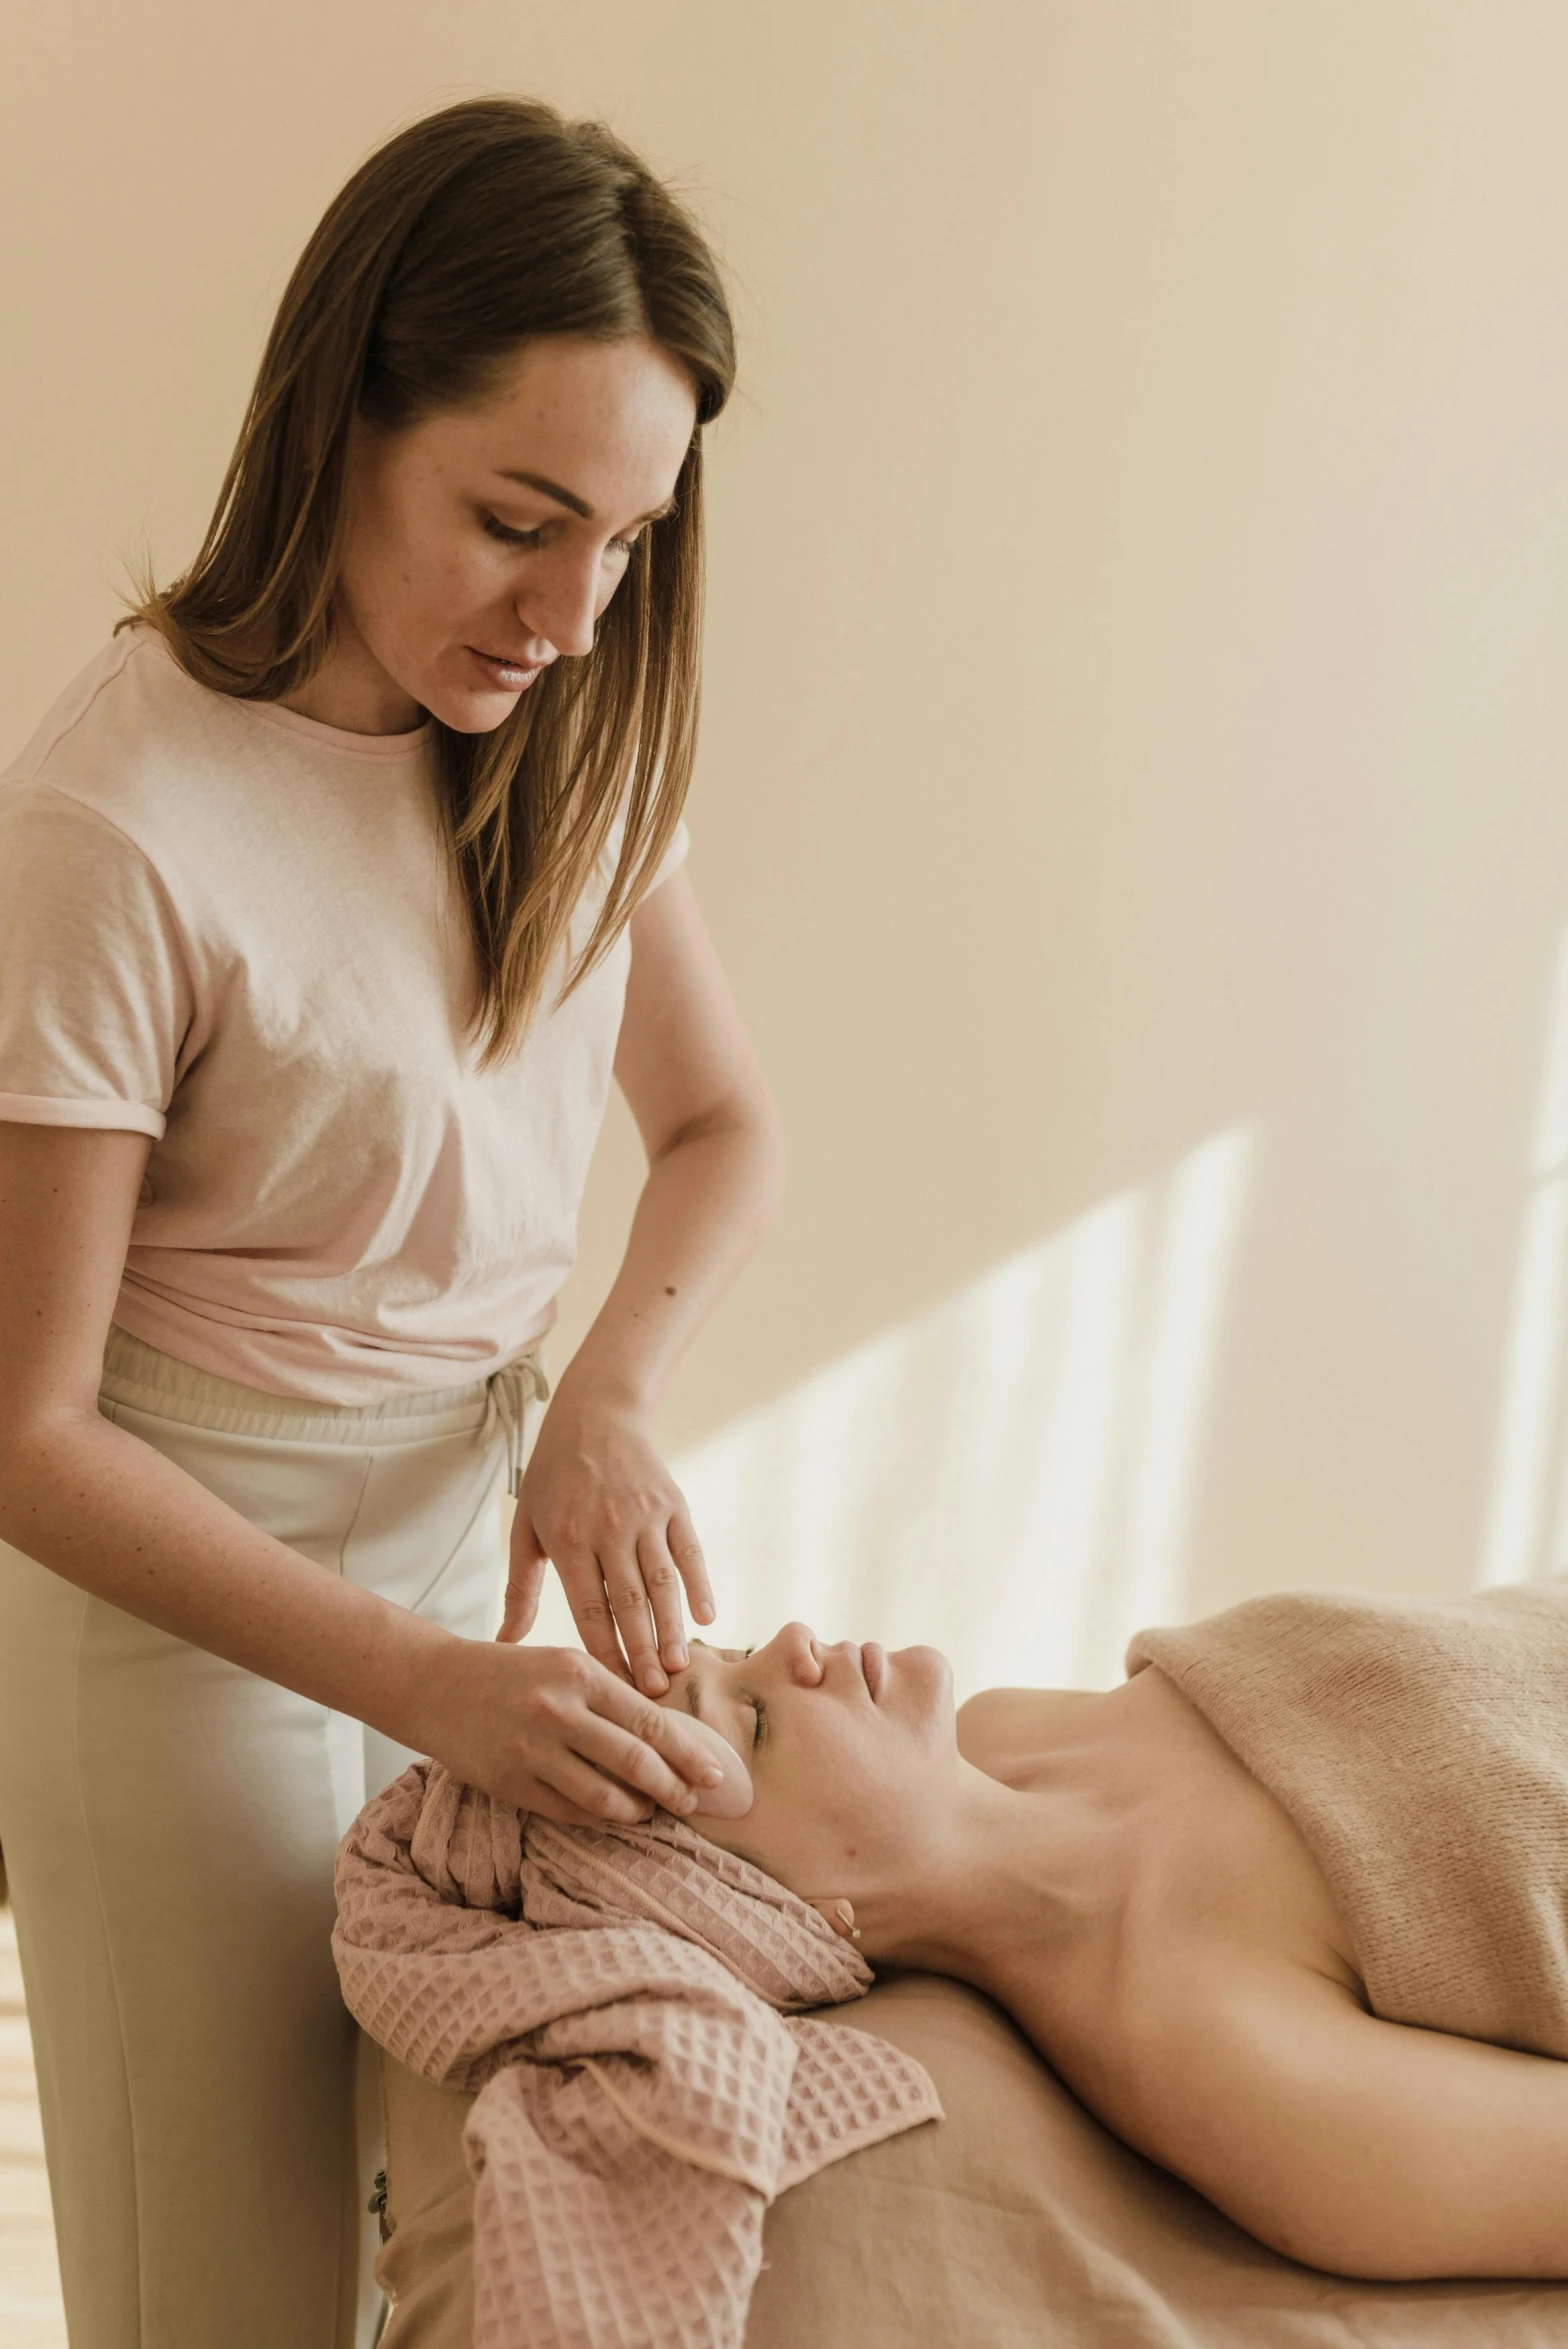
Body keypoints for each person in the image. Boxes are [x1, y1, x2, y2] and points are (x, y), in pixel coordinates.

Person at [0, 93, 784, 2349]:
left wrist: (605, 1398)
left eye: (628, 541)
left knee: (427, 2230)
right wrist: (426, 1679)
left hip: (471, 1556)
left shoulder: (569, 742)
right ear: (339, 419)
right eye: (518, 520)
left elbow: (722, 1119)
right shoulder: (113, 824)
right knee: (225, 2292)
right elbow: (30, 1429)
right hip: (170, 1605)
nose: (571, 610)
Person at [651, 1595, 1568, 2284]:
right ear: (802, 1913)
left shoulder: (1008, 1727)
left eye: (733, 1649)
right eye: (753, 1716)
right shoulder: (1213, 2050)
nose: (790, 1642)